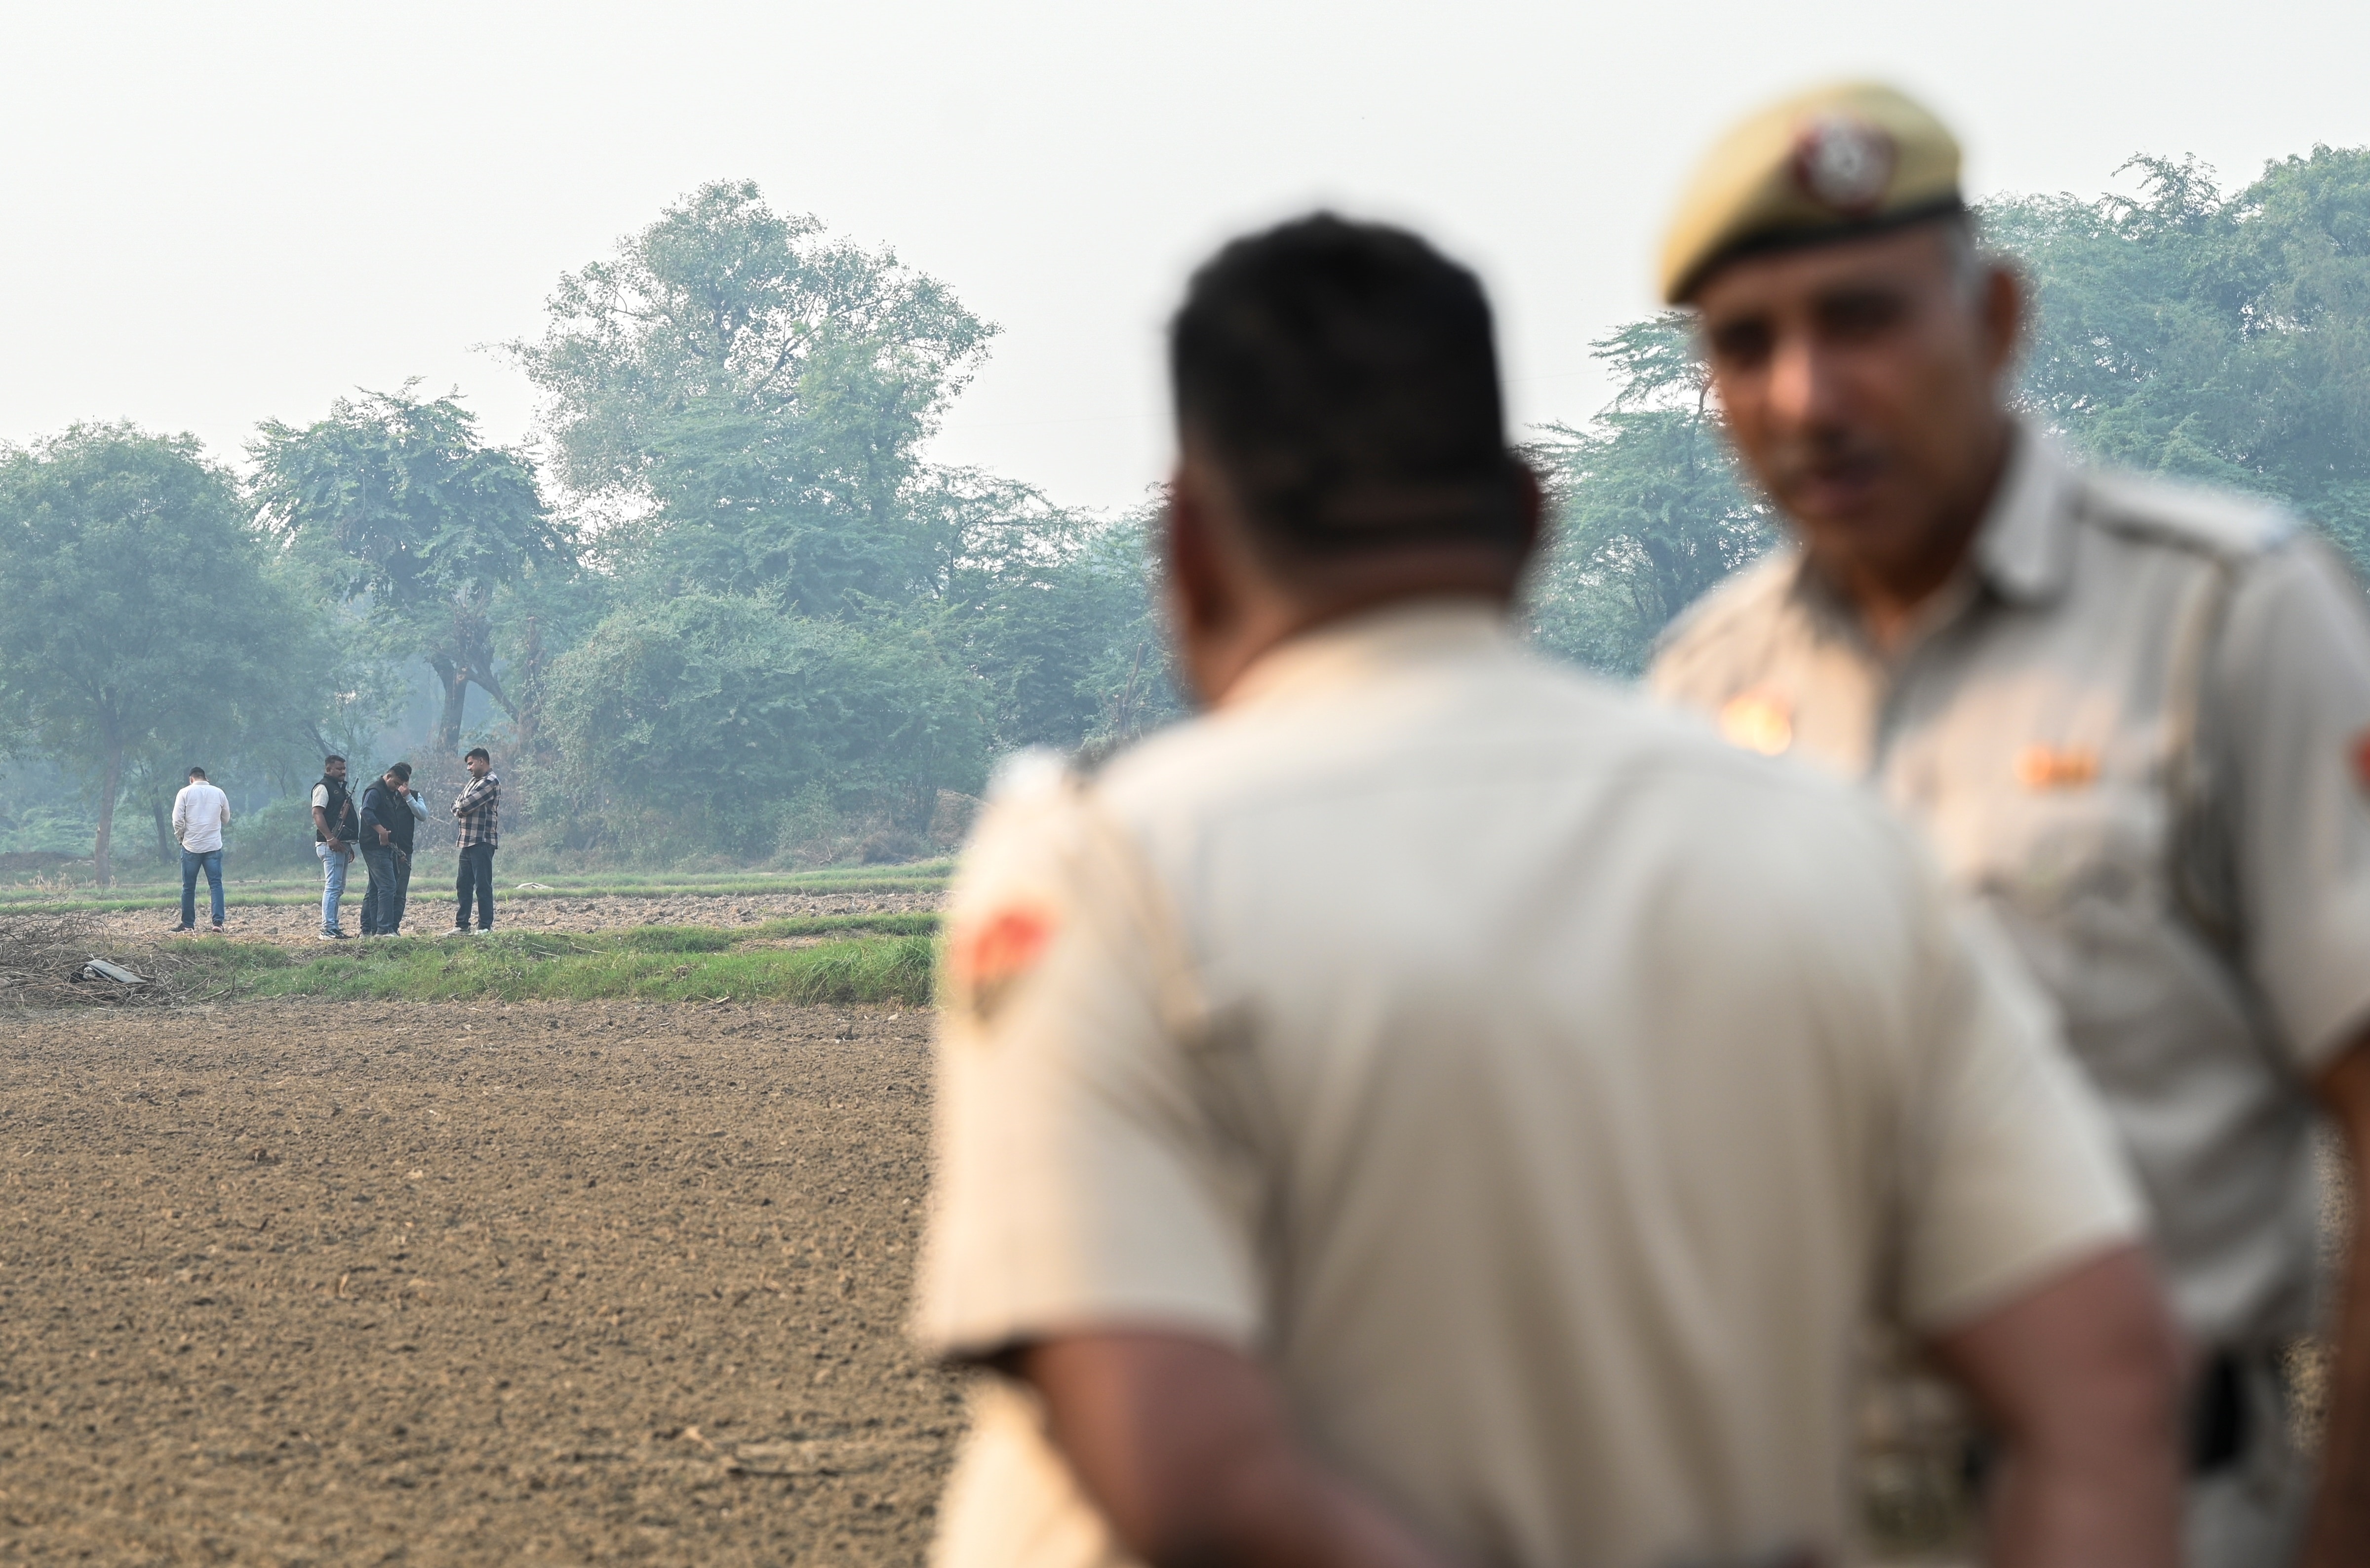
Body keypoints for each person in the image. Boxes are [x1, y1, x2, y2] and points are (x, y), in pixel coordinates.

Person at [914, 214, 2184, 1568]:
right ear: (1529, 519)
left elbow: (1189, 1473)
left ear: (1187, 544)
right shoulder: (1841, 855)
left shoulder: (1108, 871)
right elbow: (2105, 1387)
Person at [1645, 82, 2370, 1568]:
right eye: (1744, 345)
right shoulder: (1699, 694)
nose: (1806, 396)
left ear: (1993, 319)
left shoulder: (2223, 617)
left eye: (1861, 319)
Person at [357, 761, 428, 937]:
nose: (399, 787)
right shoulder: (377, 791)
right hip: (376, 846)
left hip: (398, 848)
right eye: (397, 783)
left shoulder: (409, 795)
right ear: (389, 776)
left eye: (404, 783)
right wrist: (381, 831)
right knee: (387, 886)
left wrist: (407, 797)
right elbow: (366, 812)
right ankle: (380, 929)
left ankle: (383, 929)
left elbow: (422, 815)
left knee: (386, 889)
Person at [168, 765, 231, 933]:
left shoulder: (184, 793)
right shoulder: (219, 793)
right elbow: (226, 819)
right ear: (205, 778)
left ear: (191, 779)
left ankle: (188, 925)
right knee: (216, 884)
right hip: (213, 846)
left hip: (191, 846)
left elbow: (177, 820)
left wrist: (181, 836)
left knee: (189, 887)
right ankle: (218, 923)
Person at [450, 746, 499, 936]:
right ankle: (462, 925)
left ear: (481, 761)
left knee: (483, 885)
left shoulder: (491, 781)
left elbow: (466, 805)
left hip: (482, 840)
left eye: (471, 763)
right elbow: (456, 803)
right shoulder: (473, 782)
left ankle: (485, 926)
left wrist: (460, 807)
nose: (469, 768)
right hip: (467, 841)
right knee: (463, 884)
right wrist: (459, 807)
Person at [310, 754, 358, 941]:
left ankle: (333, 927)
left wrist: (348, 844)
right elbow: (317, 813)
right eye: (339, 769)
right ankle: (328, 929)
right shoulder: (323, 787)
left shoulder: (339, 789)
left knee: (338, 887)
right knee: (333, 886)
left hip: (341, 844)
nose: (343, 772)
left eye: (344, 769)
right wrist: (330, 837)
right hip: (330, 844)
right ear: (328, 769)